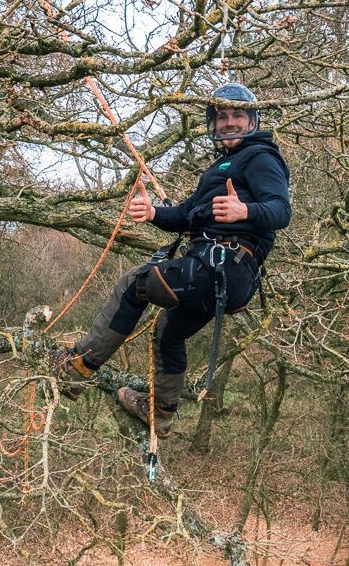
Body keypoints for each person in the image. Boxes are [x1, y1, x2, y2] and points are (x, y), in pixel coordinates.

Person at [52, 82, 291, 436]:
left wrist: (245, 210)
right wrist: (153, 213)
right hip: (218, 274)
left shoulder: (259, 157)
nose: (229, 122)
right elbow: (186, 214)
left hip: (224, 266)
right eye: (222, 116)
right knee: (168, 333)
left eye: (237, 115)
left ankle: (79, 366)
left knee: (136, 283)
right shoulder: (222, 167)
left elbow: (281, 209)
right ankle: (161, 412)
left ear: (252, 119)